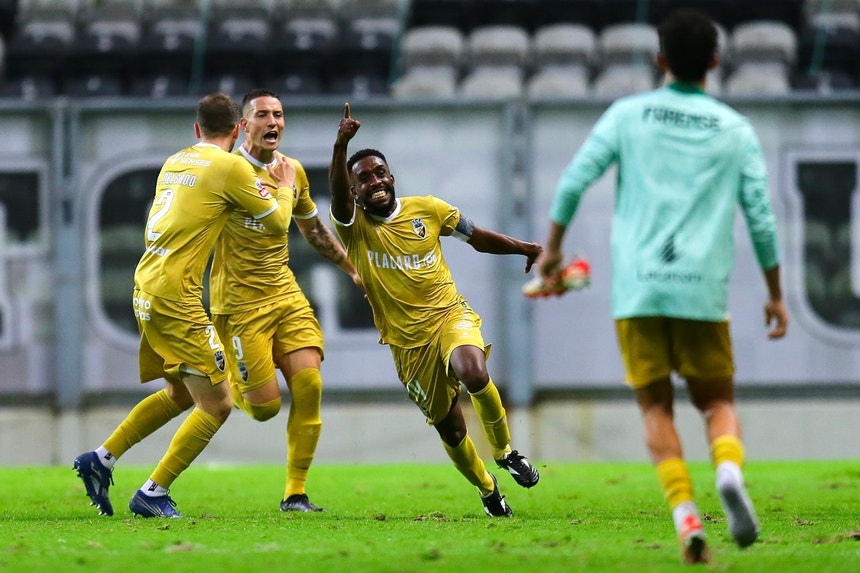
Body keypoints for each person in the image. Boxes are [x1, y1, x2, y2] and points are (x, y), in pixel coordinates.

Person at [535, 8, 789, 563]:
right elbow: (762, 219)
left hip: (639, 291)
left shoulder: (628, 114)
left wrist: (552, 250)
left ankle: (686, 517)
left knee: (656, 410)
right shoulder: (734, 128)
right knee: (716, 402)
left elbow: (574, 180)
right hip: (701, 292)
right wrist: (775, 294)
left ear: (660, 59)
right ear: (715, 62)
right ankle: (727, 469)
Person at [73, 92, 298, 518]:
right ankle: (153, 492)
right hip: (177, 298)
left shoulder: (174, 161)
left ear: (197, 129)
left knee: (179, 393)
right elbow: (277, 222)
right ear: (238, 129)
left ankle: (101, 459)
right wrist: (285, 187)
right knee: (218, 403)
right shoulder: (231, 166)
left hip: (146, 288)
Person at [329, 103, 542, 517]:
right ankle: (488, 489)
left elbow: (477, 237)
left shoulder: (429, 209)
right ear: (354, 192)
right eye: (363, 179)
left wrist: (524, 248)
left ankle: (506, 452)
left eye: (380, 173)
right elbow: (336, 195)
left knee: (473, 371)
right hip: (408, 346)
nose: (375, 182)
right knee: (452, 428)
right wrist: (340, 146)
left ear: (391, 177)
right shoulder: (353, 228)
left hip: (448, 315)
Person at [210, 88, 360, 513]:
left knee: (310, 385)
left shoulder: (292, 170)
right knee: (265, 409)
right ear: (243, 125)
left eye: (278, 114)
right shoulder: (226, 171)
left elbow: (312, 229)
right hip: (238, 305)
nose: (272, 121)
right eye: (262, 115)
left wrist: (351, 268)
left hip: (284, 294)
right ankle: (229, 375)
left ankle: (295, 493)